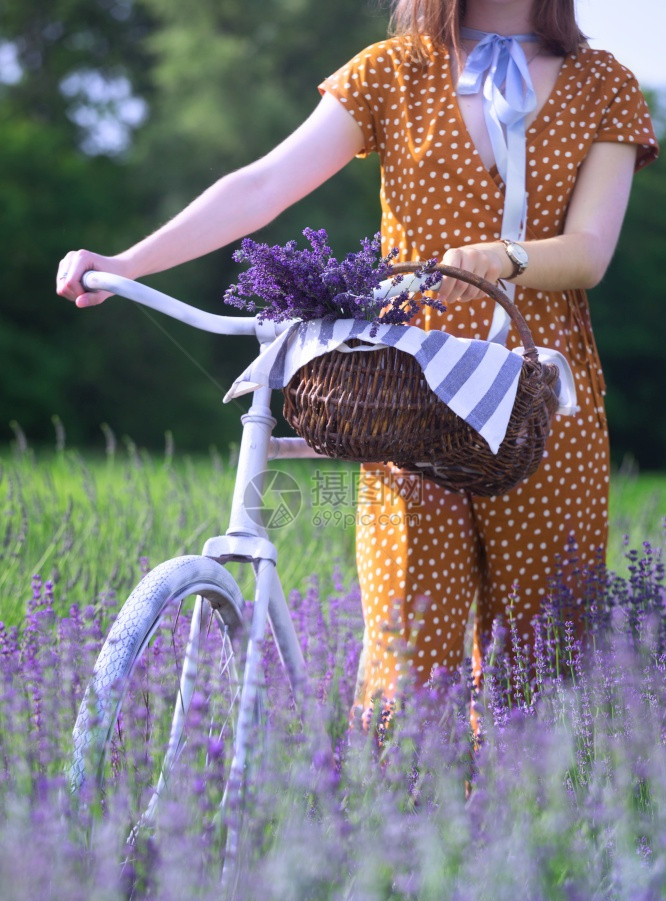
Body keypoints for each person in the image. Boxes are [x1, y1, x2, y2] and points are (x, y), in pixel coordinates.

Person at [58, 0, 658, 724]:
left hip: (542, 401)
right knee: (407, 664)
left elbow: (590, 252)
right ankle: (398, 822)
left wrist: (507, 257)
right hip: (412, 398)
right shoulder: (394, 70)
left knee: (545, 668)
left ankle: (534, 829)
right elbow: (263, 184)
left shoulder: (604, 83)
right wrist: (128, 262)